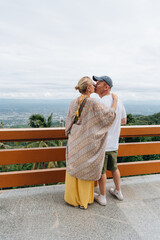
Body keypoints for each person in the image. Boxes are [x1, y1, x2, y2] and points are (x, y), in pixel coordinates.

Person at [64, 76, 118, 209]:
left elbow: (68, 124)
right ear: (88, 88)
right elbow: (109, 115)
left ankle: (72, 198)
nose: (95, 86)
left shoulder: (73, 102)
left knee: (75, 167)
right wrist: (115, 100)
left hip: (74, 140)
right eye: (93, 85)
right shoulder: (93, 102)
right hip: (86, 143)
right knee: (84, 169)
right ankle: (83, 200)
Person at [93, 75, 127, 206]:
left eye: (99, 83)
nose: (96, 84)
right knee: (114, 168)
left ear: (106, 87)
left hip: (102, 144)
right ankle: (118, 191)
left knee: (102, 172)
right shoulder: (118, 101)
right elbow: (124, 120)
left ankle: (102, 197)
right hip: (114, 143)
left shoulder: (100, 102)